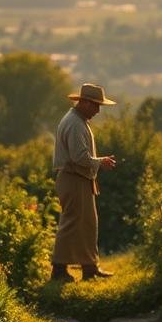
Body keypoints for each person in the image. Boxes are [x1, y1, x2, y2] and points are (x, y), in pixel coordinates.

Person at [51, 83, 118, 282]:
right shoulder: (75, 124)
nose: (98, 111)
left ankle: (90, 268)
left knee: (87, 224)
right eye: (96, 106)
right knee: (71, 224)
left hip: (79, 179)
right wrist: (101, 161)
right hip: (74, 179)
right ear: (85, 102)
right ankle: (59, 270)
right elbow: (79, 157)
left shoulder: (77, 120)